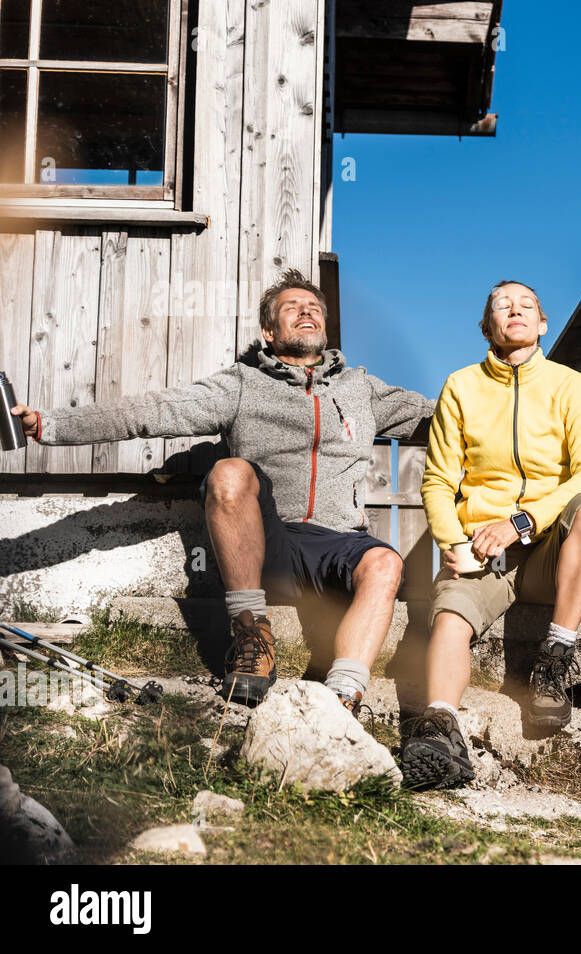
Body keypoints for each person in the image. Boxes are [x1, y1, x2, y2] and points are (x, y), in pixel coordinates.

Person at [8, 268, 437, 715]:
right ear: (269, 331)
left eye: (314, 308)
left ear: (325, 327)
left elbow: (446, 417)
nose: (306, 312)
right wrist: (49, 425)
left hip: (338, 544)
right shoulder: (239, 385)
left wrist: (507, 391)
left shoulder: (361, 389)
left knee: (386, 562)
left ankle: (342, 698)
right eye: (292, 308)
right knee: (228, 471)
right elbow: (152, 412)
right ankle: (252, 634)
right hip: (268, 542)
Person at [406, 280, 581, 789]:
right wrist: (453, 543)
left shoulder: (569, 385)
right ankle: (439, 728)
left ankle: (555, 657)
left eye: (527, 306)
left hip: (545, 550)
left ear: (543, 324)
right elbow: (437, 480)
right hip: (481, 551)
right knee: (451, 617)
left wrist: (522, 521)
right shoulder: (461, 386)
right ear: (486, 327)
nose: (514, 311)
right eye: (502, 306)